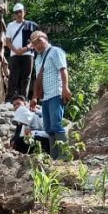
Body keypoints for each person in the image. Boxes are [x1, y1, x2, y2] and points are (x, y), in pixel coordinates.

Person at [29, 31, 72, 160]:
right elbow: (38, 79)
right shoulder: (38, 58)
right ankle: (55, 157)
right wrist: (35, 96)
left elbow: (63, 70)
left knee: (56, 125)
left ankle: (64, 155)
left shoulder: (55, 51)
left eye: (39, 41)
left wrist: (65, 88)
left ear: (45, 39)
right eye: (34, 44)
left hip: (56, 93)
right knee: (48, 128)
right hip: (45, 97)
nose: (37, 45)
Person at [5, 3, 38, 103]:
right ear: (14, 15)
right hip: (14, 54)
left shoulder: (32, 25)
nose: (19, 14)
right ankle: (9, 99)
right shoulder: (10, 25)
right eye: (16, 12)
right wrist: (16, 51)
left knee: (26, 78)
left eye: (20, 11)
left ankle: (24, 99)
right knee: (13, 77)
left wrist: (25, 49)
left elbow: (36, 40)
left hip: (28, 54)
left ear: (24, 12)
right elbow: (8, 41)